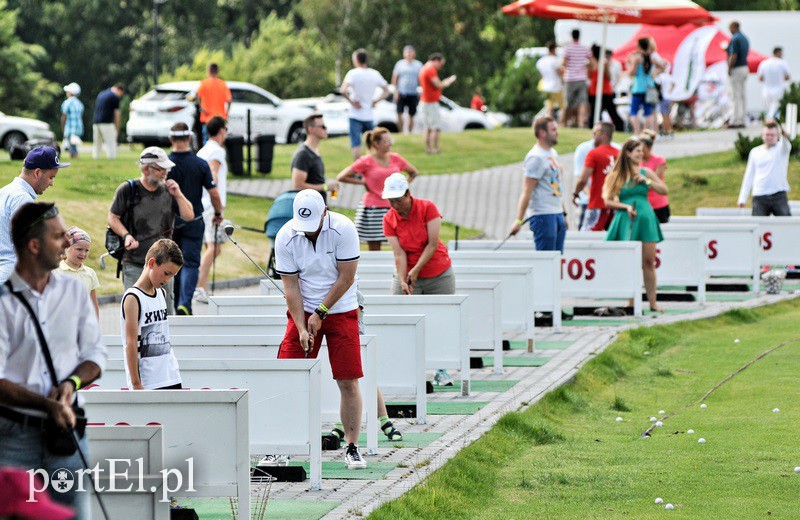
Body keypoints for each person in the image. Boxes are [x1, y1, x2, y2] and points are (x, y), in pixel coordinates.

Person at [0, 202, 107, 518]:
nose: (66, 243)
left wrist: (70, 383)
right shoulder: (4, 302)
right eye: (58, 236)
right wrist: (47, 405)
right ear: (34, 246)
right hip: (13, 437)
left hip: (67, 435)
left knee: (71, 515)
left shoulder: (74, 292)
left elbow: (95, 355)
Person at [274, 189, 366, 470]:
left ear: (324, 213)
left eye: (313, 226)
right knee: (287, 376)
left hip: (341, 309)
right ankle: (280, 446)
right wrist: (302, 326)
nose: (309, 233)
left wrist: (321, 312)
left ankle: (351, 446)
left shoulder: (343, 229)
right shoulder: (286, 236)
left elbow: (347, 277)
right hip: (302, 311)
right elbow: (290, 287)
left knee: (348, 379)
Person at [381, 173, 456, 386]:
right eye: (390, 200)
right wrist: (404, 279)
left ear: (408, 194)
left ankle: (441, 370)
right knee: (399, 317)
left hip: (438, 272)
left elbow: (432, 244)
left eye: (397, 199)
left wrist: (416, 271)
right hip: (408, 271)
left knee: (440, 321)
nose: (394, 204)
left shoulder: (427, 208)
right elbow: (399, 254)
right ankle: (404, 367)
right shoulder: (389, 218)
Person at [107, 147, 194, 315]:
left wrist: (178, 194)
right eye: (161, 169)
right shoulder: (128, 189)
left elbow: (189, 215)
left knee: (164, 313)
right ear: (147, 169)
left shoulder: (169, 191)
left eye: (166, 169)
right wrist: (126, 236)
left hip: (164, 265)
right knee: (136, 311)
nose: (165, 173)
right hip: (134, 262)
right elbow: (112, 217)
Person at [603, 137, 668, 312]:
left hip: (645, 218)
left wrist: (647, 181)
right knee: (629, 262)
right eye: (637, 151)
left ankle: (653, 302)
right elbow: (607, 201)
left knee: (649, 261)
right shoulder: (616, 175)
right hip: (626, 219)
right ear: (628, 153)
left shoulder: (645, 172)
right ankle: (630, 301)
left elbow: (664, 190)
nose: (641, 154)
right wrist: (624, 207)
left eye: (642, 151)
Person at [167, 123, 224, 315]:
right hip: (194, 220)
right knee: (190, 262)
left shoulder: (165, 164)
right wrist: (218, 214)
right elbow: (214, 194)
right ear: (189, 139)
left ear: (170, 139)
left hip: (170, 223)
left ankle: (175, 306)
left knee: (171, 262)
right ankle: (185, 303)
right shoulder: (200, 163)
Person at [337, 127, 419, 251]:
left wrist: (402, 187)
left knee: (402, 242)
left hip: (395, 207)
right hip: (373, 207)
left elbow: (413, 172)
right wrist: (362, 182)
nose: (390, 143)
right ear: (376, 143)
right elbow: (342, 176)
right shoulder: (366, 161)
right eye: (386, 141)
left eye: (390, 140)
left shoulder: (395, 158)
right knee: (374, 245)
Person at [121, 239, 184, 390]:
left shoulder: (161, 293)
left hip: (170, 376)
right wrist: (136, 383)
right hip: (148, 381)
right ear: (152, 263)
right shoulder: (133, 298)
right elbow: (130, 344)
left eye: (172, 276)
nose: (168, 280)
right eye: (166, 273)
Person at [0, 147, 69, 283]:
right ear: (37, 173)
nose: (51, 183)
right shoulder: (22, 199)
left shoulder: (5, 192)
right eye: (51, 177)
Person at [509, 117, 566, 253]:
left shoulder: (552, 153)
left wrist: (563, 212)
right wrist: (518, 221)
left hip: (556, 212)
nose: (557, 132)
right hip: (543, 214)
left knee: (558, 260)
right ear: (542, 133)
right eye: (553, 129)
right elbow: (526, 191)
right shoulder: (535, 157)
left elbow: (556, 185)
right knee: (546, 259)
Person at [195, 116, 229, 303]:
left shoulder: (202, 151)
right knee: (214, 248)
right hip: (211, 205)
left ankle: (203, 286)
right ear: (222, 130)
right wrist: (218, 205)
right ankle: (199, 287)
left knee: (210, 247)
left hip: (203, 203)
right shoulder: (217, 151)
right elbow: (213, 174)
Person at [340, 49, 389, 161]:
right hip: (369, 114)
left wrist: (352, 102)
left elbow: (343, 90)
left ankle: (358, 170)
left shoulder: (352, 73)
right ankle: (373, 166)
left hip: (355, 114)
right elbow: (386, 90)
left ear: (356, 60)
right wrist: (375, 101)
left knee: (356, 144)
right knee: (372, 144)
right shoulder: (374, 74)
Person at [737, 120, 792, 216]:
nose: (769, 137)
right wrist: (742, 198)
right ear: (762, 135)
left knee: (786, 225)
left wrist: (784, 137)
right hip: (759, 195)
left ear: (777, 136)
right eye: (767, 134)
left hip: (779, 194)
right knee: (758, 226)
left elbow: (786, 146)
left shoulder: (781, 149)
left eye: (772, 135)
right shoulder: (755, 152)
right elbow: (749, 175)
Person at [573, 122, 619, 232]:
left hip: (597, 204)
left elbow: (582, 179)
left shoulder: (593, 153)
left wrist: (575, 193)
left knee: (587, 239)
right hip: (615, 205)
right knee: (614, 241)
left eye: (596, 132)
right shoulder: (619, 153)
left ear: (604, 135)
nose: (593, 135)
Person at [291, 114, 337, 203]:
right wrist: (325, 187)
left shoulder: (314, 151)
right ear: (311, 129)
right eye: (323, 127)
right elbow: (298, 186)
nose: (326, 129)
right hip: (310, 208)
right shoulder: (303, 154)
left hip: (319, 206)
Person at [419, 53, 456, 154]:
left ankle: (428, 149)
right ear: (436, 60)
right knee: (435, 127)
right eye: (441, 63)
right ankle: (435, 149)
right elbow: (438, 85)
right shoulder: (430, 69)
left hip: (425, 102)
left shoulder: (423, 68)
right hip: (431, 103)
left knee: (428, 127)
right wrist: (447, 82)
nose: (441, 66)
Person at [58, 226, 100, 317]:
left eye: (87, 250)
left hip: (83, 324)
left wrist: (95, 326)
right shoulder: (56, 271)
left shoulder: (90, 273)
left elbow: (93, 302)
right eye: (79, 249)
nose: (83, 254)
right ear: (67, 247)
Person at [588, 44, 624, 131]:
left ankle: (594, 126)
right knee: (611, 111)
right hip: (604, 90)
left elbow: (589, 75)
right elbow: (608, 76)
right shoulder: (603, 62)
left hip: (595, 90)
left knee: (595, 112)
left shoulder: (591, 63)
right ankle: (619, 126)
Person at [627, 38, 658, 135]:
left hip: (638, 88)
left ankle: (637, 132)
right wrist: (654, 73)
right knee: (648, 112)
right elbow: (663, 65)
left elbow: (632, 72)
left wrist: (629, 64)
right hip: (649, 87)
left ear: (639, 47)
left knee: (633, 112)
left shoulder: (637, 58)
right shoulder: (651, 58)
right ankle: (646, 132)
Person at [196, 63, 232, 144]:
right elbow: (229, 100)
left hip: (207, 118)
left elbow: (197, 95)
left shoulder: (203, 83)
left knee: (207, 141)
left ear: (208, 71)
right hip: (220, 118)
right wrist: (226, 113)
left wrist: (201, 107)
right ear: (217, 72)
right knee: (219, 141)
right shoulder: (223, 84)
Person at [563, 29, 591, 128]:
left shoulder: (567, 48)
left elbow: (564, 63)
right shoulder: (584, 48)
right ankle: (581, 123)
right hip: (582, 78)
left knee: (567, 102)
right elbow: (591, 62)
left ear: (572, 36)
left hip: (570, 78)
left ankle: (563, 122)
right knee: (583, 102)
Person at [392, 45, 423, 134]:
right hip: (401, 92)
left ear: (414, 54)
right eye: (407, 52)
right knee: (399, 113)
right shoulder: (399, 64)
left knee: (411, 115)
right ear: (404, 54)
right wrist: (395, 91)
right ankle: (401, 132)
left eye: (411, 52)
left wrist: (421, 90)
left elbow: (421, 79)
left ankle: (409, 132)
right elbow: (395, 78)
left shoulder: (418, 65)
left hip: (413, 93)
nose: (409, 54)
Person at [641, 131, 670, 223]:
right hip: (643, 204)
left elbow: (655, 179)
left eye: (643, 149)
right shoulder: (636, 161)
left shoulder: (659, 160)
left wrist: (645, 181)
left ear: (649, 148)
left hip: (658, 205)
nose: (641, 152)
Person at [92, 83, 125, 159]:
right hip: (107, 122)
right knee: (111, 143)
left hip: (96, 121)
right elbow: (117, 114)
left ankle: (96, 157)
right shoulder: (114, 97)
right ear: (119, 90)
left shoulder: (101, 94)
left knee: (97, 143)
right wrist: (116, 128)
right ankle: (111, 157)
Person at [727, 21, 750, 129]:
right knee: (742, 95)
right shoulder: (744, 38)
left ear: (733, 27)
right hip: (745, 67)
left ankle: (735, 119)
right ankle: (742, 118)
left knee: (735, 95)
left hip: (737, 68)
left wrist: (729, 67)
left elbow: (734, 54)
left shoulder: (735, 38)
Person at [758, 47, 791, 120]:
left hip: (766, 91)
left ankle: (768, 125)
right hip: (778, 90)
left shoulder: (764, 63)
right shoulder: (782, 63)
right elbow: (788, 77)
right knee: (775, 112)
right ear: (778, 53)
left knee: (769, 111)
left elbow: (760, 78)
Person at [537, 41, 565, 124]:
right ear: (554, 49)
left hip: (545, 87)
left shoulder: (541, 61)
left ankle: (548, 123)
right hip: (556, 87)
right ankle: (561, 123)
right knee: (562, 107)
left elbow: (540, 75)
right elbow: (559, 73)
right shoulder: (555, 60)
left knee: (549, 108)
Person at [60, 82, 83, 158]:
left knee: (71, 143)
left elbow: (64, 115)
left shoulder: (67, 102)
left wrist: (62, 126)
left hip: (70, 126)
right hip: (78, 127)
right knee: (73, 143)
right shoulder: (79, 103)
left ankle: (74, 155)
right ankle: (72, 155)